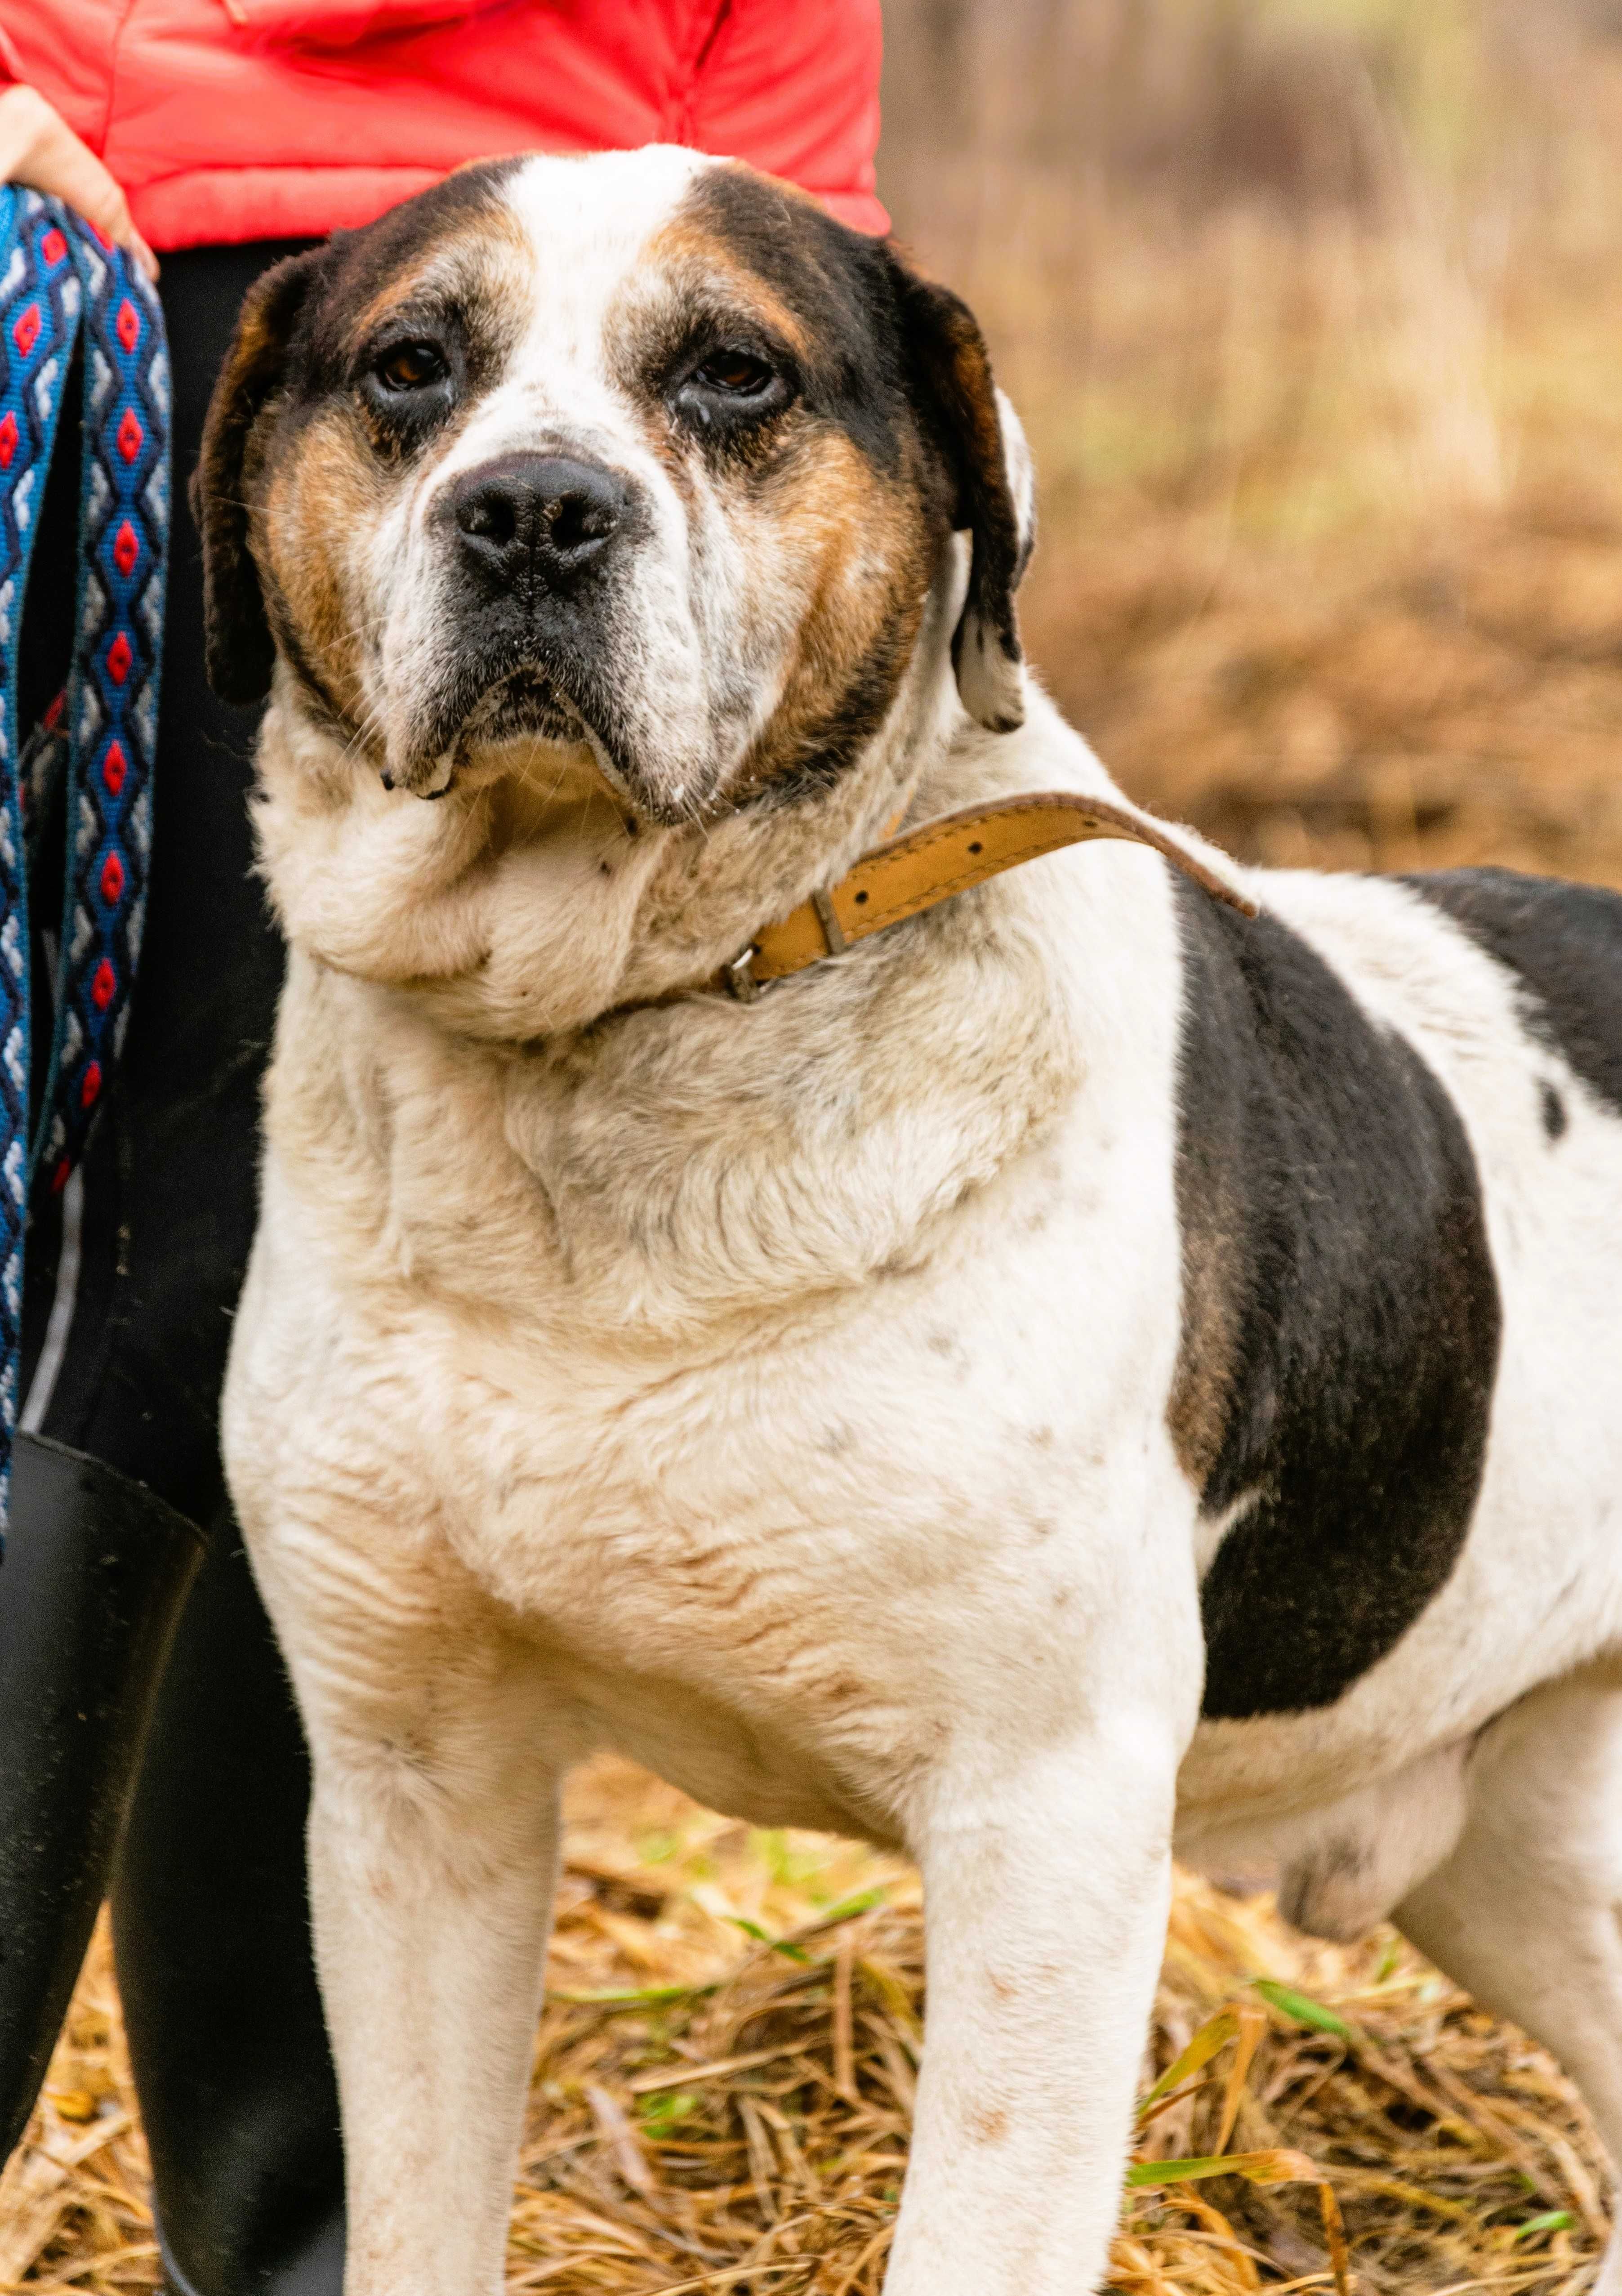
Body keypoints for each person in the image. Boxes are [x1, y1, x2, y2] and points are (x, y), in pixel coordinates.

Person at [0, 9, 884, 2291]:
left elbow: (806, 164)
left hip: (557, 324)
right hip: (154, 289)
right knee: (163, 1280)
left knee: (223, 1312)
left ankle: (295, 2242)